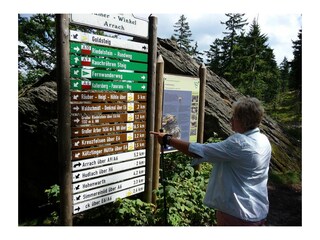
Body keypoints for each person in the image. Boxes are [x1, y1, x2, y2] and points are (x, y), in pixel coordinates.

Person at [150, 97, 271, 226]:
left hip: (238, 212)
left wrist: (168, 139)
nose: (230, 120)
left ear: (243, 120)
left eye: (234, 116)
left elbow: (198, 151)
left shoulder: (240, 143)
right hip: (257, 210)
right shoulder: (263, 140)